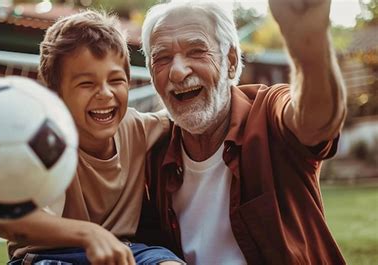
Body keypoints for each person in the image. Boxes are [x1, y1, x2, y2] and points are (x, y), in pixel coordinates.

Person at [140, 0, 347, 264]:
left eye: (196, 51)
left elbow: (315, 122)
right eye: (162, 58)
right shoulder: (153, 152)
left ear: (230, 60)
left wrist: (309, 43)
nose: (178, 72)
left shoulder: (268, 113)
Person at [0, 10, 184, 265]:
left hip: (123, 249)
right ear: (55, 96)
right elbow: (7, 220)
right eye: (86, 84)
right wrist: (89, 234)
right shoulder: (43, 142)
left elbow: (188, 116)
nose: (105, 93)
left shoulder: (138, 126)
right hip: (47, 254)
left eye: (116, 80)